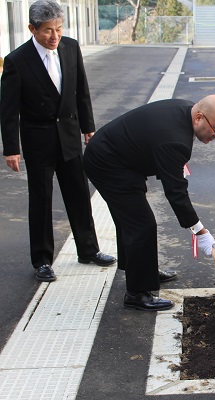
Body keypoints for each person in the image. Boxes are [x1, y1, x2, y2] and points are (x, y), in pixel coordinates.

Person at [0, 0, 115, 283]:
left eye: (59, 29)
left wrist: (88, 127)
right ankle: (42, 260)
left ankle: (88, 250)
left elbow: (81, 90)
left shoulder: (71, 47)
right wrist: (11, 148)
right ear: (32, 29)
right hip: (38, 140)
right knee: (40, 201)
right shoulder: (17, 60)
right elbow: (8, 109)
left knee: (78, 194)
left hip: (69, 136)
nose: (55, 36)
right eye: (48, 31)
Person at [82, 96, 215, 311]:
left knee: (134, 219)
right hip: (107, 162)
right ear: (199, 117)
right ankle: (137, 294)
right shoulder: (175, 140)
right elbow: (176, 193)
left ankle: (144, 270)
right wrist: (200, 231)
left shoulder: (185, 110)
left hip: (123, 159)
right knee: (141, 224)